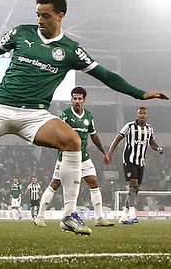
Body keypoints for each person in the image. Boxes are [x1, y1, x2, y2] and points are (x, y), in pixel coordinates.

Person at [0, 0, 169, 235]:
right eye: (38, 15)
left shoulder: (70, 50)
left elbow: (106, 75)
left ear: (60, 16)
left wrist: (139, 94)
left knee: (72, 141)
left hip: (35, 115)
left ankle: (69, 215)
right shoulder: (21, 33)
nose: (40, 20)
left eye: (46, 16)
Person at [35, 86, 115, 227]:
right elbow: (57, 134)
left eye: (79, 99)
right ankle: (40, 216)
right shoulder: (66, 115)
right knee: (54, 184)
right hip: (67, 157)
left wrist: (104, 152)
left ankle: (99, 218)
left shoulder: (88, 116)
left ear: (84, 100)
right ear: (71, 100)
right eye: (74, 98)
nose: (77, 101)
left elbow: (94, 136)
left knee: (94, 182)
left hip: (83, 157)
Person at [107, 106, 164, 224]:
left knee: (135, 188)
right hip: (129, 159)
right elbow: (118, 138)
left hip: (141, 161)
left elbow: (151, 142)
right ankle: (132, 213)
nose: (142, 115)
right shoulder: (129, 126)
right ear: (137, 115)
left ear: (147, 115)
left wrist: (158, 148)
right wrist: (109, 153)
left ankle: (123, 216)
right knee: (133, 184)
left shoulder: (149, 128)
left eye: (144, 113)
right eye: (140, 113)